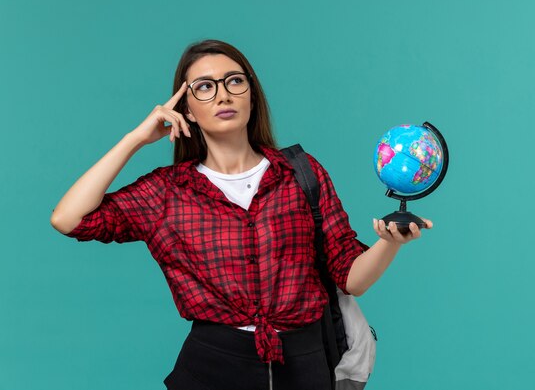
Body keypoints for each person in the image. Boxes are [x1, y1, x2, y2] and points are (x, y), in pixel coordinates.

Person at [50, 39, 433, 390]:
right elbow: (69, 219)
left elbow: (351, 278)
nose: (222, 95)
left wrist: (388, 243)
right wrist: (135, 138)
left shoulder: (302, 172)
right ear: (187, 110)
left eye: (234, 81)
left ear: (251, 95)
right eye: (204, 86)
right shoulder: (167, 191)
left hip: (305, 367)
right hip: (212, 367)